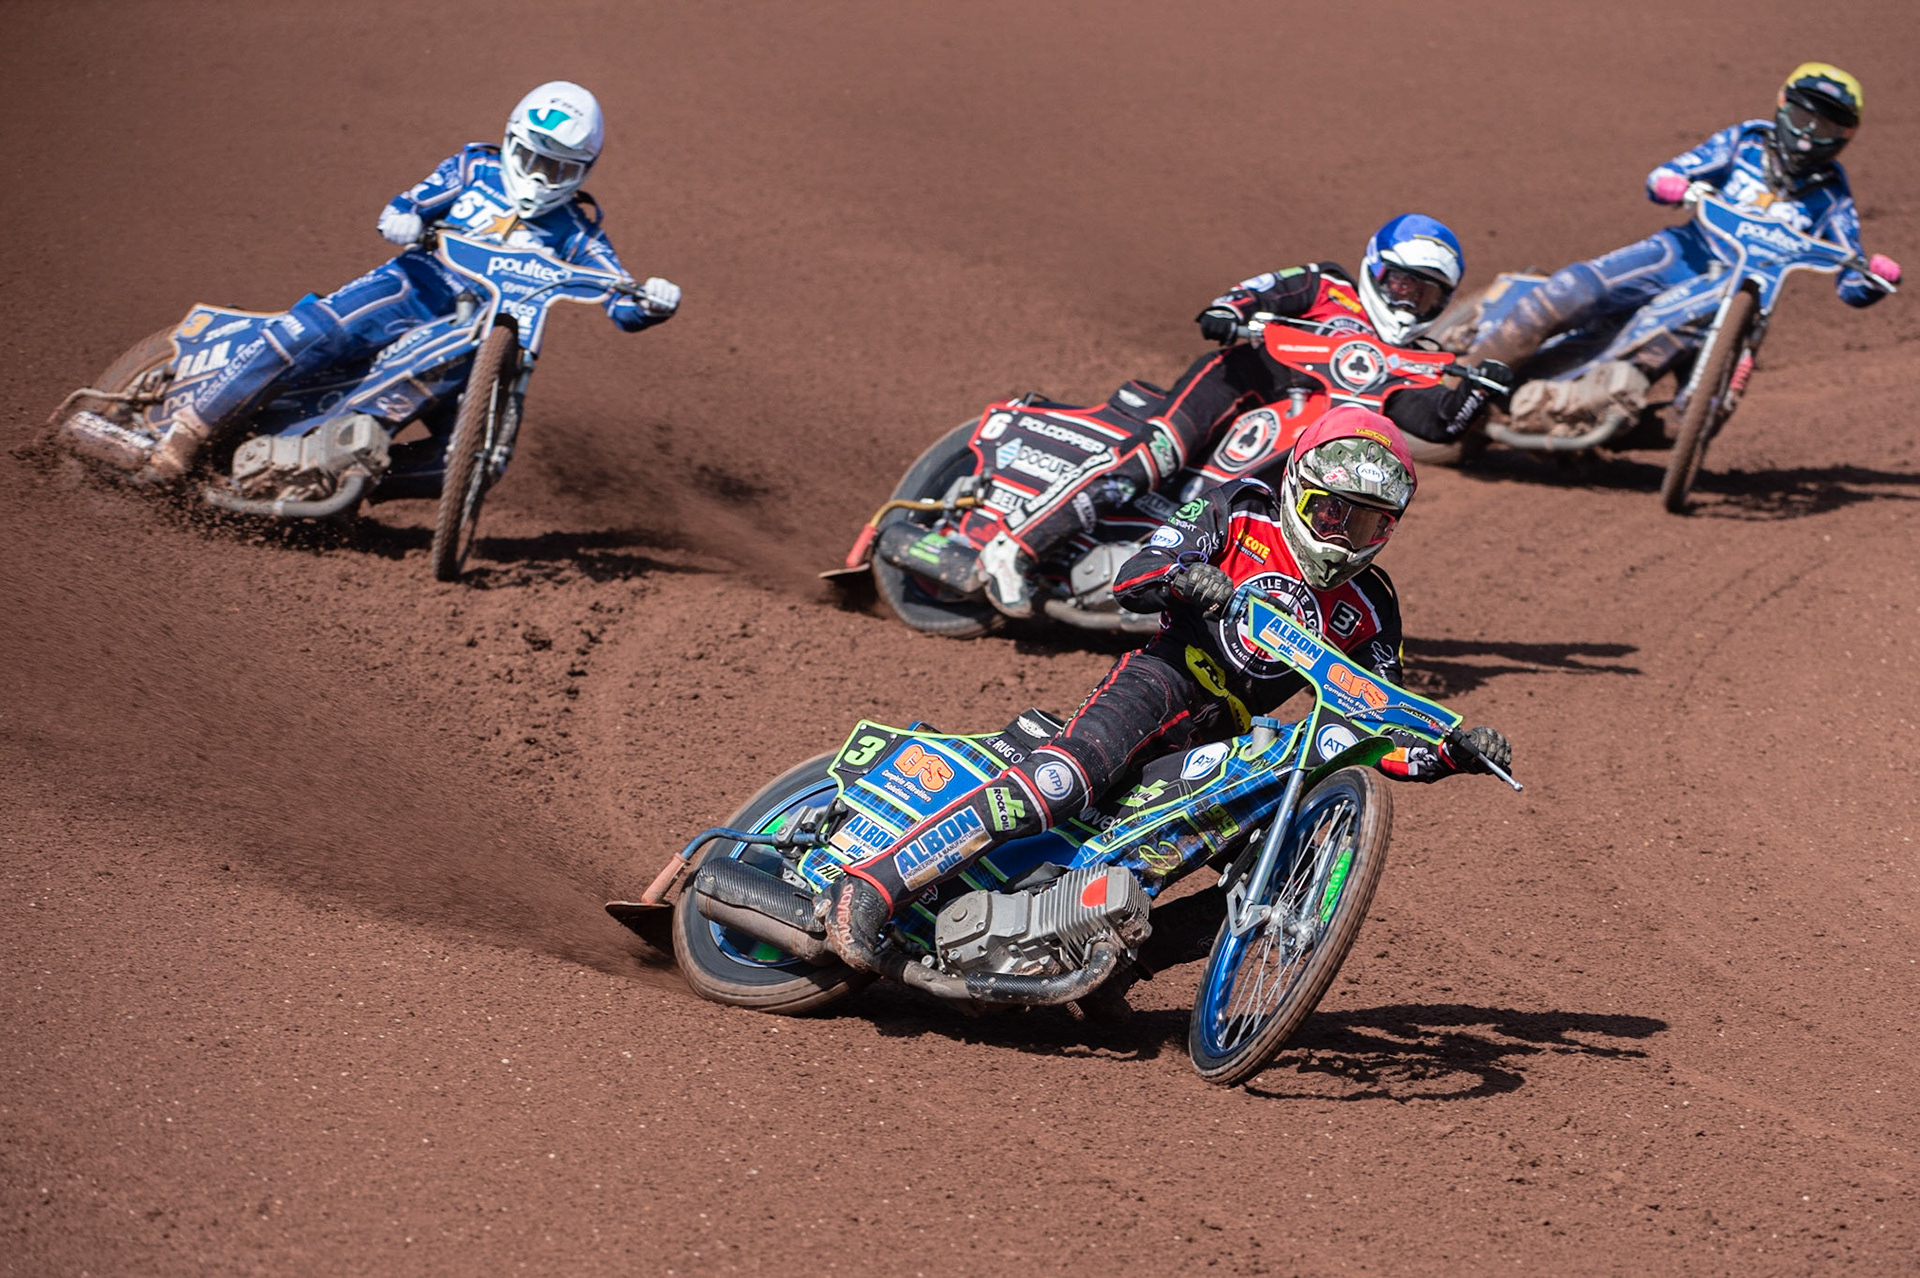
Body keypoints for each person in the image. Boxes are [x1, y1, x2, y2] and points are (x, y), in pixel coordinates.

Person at [824, 404, 1511, 971]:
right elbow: (1134, 575)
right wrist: (1186, 577)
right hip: (1164, 676)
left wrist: (1451, 754)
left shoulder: (1373, 605)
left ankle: (1109, 975)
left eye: (1367, 523)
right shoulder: (1239, 511)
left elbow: (1376, 722)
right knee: (1070, 778)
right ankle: (873, 887)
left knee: (1262, 876)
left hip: (1230, 736)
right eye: (1332, 514)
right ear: (1300, 487)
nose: (1344, 535)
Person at [135, 81, 681, 483]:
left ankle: (339, 480)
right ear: (512, 141)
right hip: (414, 287)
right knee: (314, 328)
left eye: (558, 169)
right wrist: (404, 218)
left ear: (583, 171)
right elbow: (411, 202)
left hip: (479, 342)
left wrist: (651, 302)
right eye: (533, 158)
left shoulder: (578, 232)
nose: (540, 177)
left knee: (472, 464)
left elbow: (619, 297)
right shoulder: (474, 170)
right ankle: (187, 433)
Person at [977, 213, 1504, 618]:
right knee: (1156, 455)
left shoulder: (1410, 362)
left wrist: (1481, 390)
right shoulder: (1328, 285)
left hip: (1293, 439)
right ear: (1375, 269)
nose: (1409, 299)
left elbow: (1438, 424)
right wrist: (1230, 311)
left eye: (1426, 291)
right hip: (1238, 380)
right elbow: (1263, 290)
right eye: (1401, 282)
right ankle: (1014, 548)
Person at [1466, 63, 1899, 433]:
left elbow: (1849, 278)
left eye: (1823, 126)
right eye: (1804, 117)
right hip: (1678, 254)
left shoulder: (1832, 197)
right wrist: (1673, 185)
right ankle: (1456, 387)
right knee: (1571, 291)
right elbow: (1669, 174)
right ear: (1784, 105)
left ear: (1845, 134)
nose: (1807, 135)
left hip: (1735, 304)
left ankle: (1591, 423)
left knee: (1703, 413)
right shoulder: (1746, 141)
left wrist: (1874, 280)